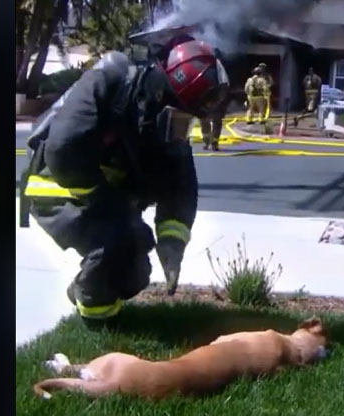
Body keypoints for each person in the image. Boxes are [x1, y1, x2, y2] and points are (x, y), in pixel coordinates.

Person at [19, 40, 229, 322]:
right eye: (179, 119)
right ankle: (96, 323)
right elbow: (62, 154)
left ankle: (86, 294)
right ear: (160, 93)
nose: (179, 131)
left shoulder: (161, 123)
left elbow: (181, 187)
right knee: (115, 244)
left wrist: (172, 244)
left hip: (102, 195)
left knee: (136, 270)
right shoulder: (110, 80)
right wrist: (114, 207)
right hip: (58, 185)